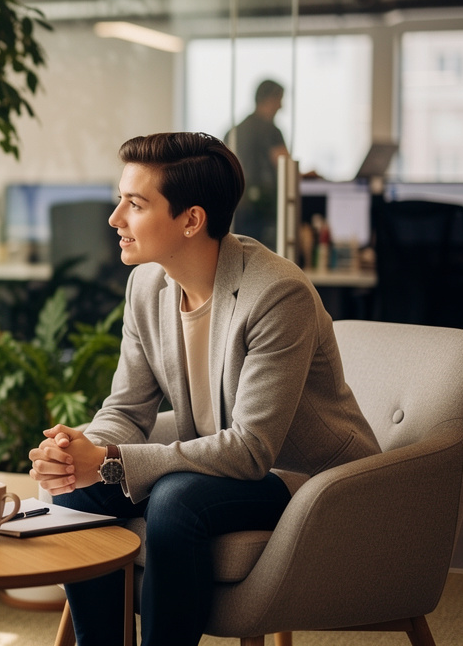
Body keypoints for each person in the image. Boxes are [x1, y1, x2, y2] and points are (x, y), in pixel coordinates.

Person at [28, 132, 381, 646]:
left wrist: (110, 459)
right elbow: (126, 408)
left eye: (135, 203)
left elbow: (253, 449)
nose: (115, 219)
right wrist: (76, 450)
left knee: (177, 499)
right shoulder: (147, 284)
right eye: (119, 199)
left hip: (311, 481)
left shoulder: (277, 294)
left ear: (191, 220)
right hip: (225, 465)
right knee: (78, 487)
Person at [226, 79, 290, 248]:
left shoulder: (235, 130)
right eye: (280, 100)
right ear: (270, 99)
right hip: (264, 211)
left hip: (237, 209)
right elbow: (286, 168)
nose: (281, 106)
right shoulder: (271, 130)